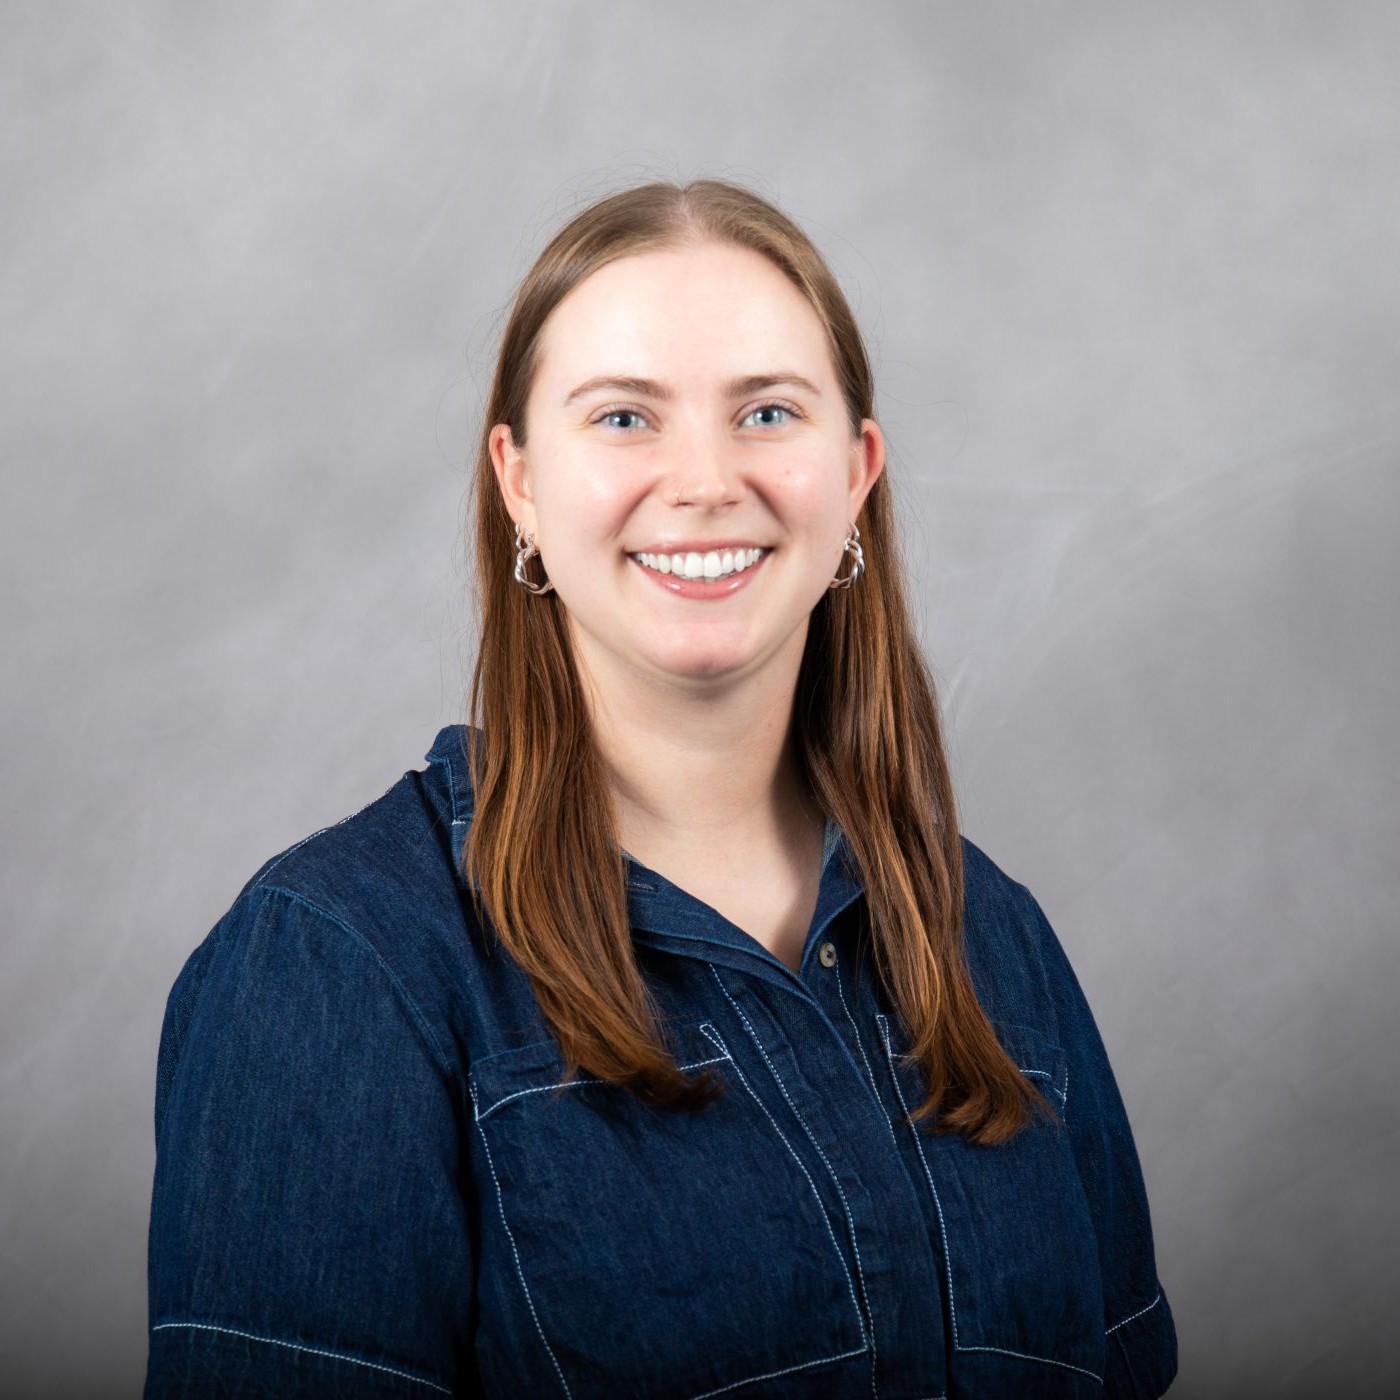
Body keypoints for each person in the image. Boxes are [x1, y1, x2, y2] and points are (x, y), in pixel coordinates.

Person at [143, 178, 1177, 1398]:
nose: (702, 481)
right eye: (624, 418)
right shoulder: (335, 965)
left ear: (856, 473)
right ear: (518, 480)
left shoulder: (991, 938)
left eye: (768, 411)